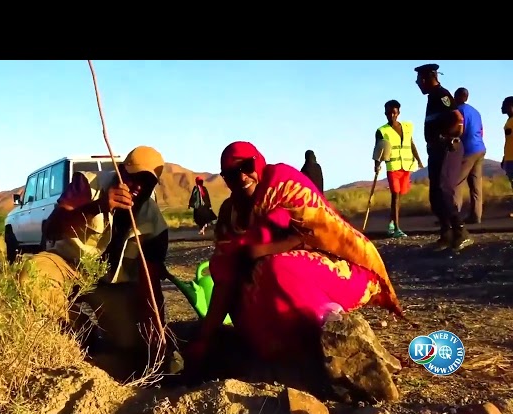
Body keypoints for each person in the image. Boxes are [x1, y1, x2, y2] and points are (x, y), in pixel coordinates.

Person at [185, 140, 403, 371]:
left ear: (258, 162)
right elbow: (224, 281)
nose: (241, 177)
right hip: (269, 289)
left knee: (275, 267)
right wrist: (204, 339)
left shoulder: (283, 184)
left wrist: (260, 251)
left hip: (330, 274)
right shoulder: (231, 213)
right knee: (241, 299)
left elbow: (317, 236)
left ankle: (327, 331)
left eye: (247, 167)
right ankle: (285, 349)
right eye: (230, 173)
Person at [19, 146, 182, 375]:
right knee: (33, 276)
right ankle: (79, 329)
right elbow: (53, 228)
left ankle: (95, 338)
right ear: (121, 171)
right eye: (133, 178)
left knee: (128, 343)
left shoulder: (154, 224)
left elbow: (150, 284)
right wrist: (98, 207)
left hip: (108, 284)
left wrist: (157, 335)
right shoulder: (88, 184)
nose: (138, 187)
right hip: (68, 264)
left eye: (147, 183)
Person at [414, 63, 472, 252]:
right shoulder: (432, 98)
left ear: (425, 79)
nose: (417, 83)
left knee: (443, 189)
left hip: (448, 149)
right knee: (435, 194)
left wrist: (446, 138)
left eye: (418, 80)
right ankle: (446, 234)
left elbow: (458, 120)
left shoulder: (442, 95)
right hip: (436, 151)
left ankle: (461, 231)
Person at [375, 100, 424, 238]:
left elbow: (411, 143)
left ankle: (391, 223)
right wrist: (377, 164)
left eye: (394, 113)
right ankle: (397, 228)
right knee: (395, 196)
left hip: (406, 166)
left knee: (399, 196)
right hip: (393, 167)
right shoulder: (381, 131)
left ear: (398, 113)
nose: (392, 115)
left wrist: (419, 160)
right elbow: (378, 149)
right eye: (389, 113)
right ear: (385, 113)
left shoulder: (407, 126)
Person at [453, 88, 486, 224]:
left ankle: (454, 217)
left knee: (455, 183)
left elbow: (458, 131)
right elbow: (481, 130)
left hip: (467, 150)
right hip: (479, 148)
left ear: (457, 97)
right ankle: (476, 215)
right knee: (475, 184)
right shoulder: (476, 112)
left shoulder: (458, 112)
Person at [501, 96, 513, 217]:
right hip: (509, 158)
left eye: (504, 105)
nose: (502, 107)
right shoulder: (509, 121)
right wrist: (504, 157)